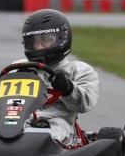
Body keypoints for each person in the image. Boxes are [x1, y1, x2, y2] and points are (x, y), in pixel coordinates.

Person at [13, 9, 99, 145]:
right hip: (17, 117)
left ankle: (39, 139)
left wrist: (68, 88)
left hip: (57, 120)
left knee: (54, 129)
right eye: (35, 41)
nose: (39, 46)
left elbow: (86, 103)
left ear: (62, 39)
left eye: (46, 40)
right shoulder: (18, 66)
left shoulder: (78, 70)